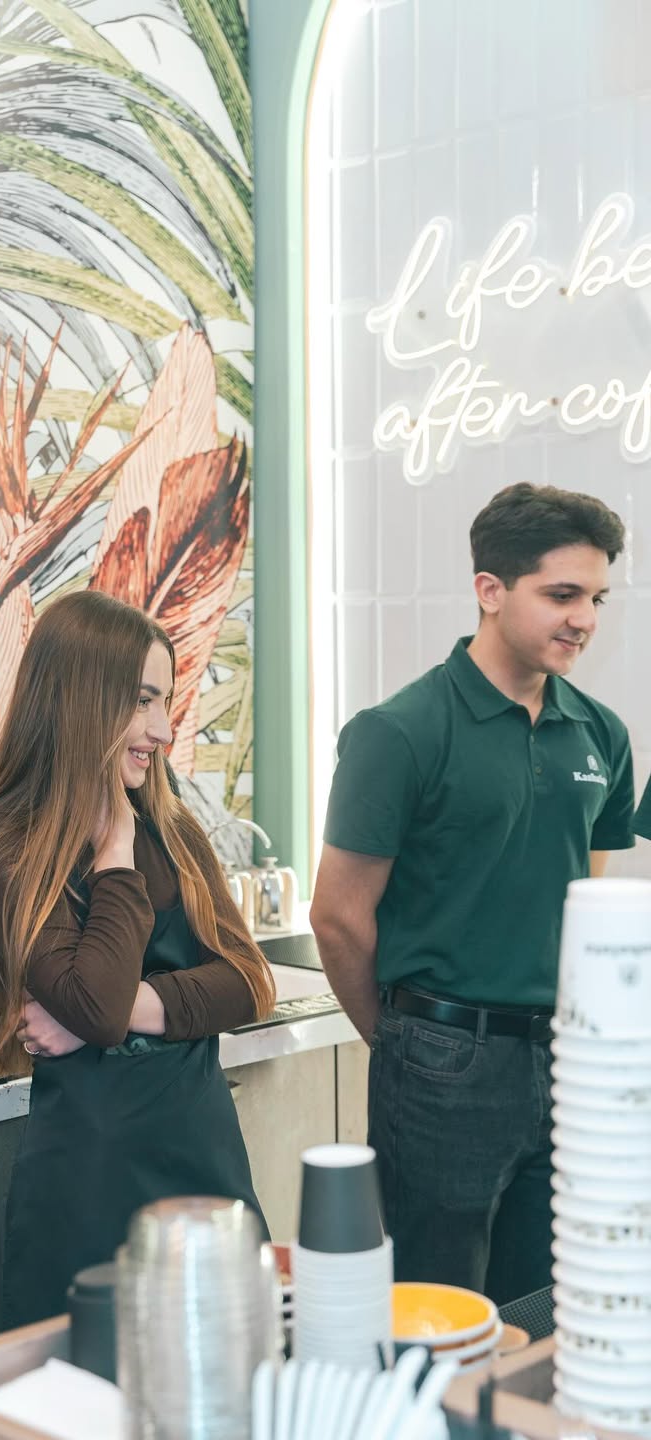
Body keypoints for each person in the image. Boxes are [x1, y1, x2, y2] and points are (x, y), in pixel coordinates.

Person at [310, 482, 634, 1306]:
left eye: (596, 598)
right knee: (436, 1309)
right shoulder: (398, 732)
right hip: (442, 1058)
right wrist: (403, 1041)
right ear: (490, 590)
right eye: (562, 595)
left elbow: (584, 903)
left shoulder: (603, 734)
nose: (585, 619)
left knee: (545, 1309)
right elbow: (337, 918)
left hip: (564, 1062)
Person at [0, 589, 276, 1326]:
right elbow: (93, 1006)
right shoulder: (4, 845)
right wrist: (115, 852)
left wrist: (136, 1007)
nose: (163, 729)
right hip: (89, 1186)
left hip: (203, 1158)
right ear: (79, 697)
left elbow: (249, 982)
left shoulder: (170, 822)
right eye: (142, 700)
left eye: (165, 702)